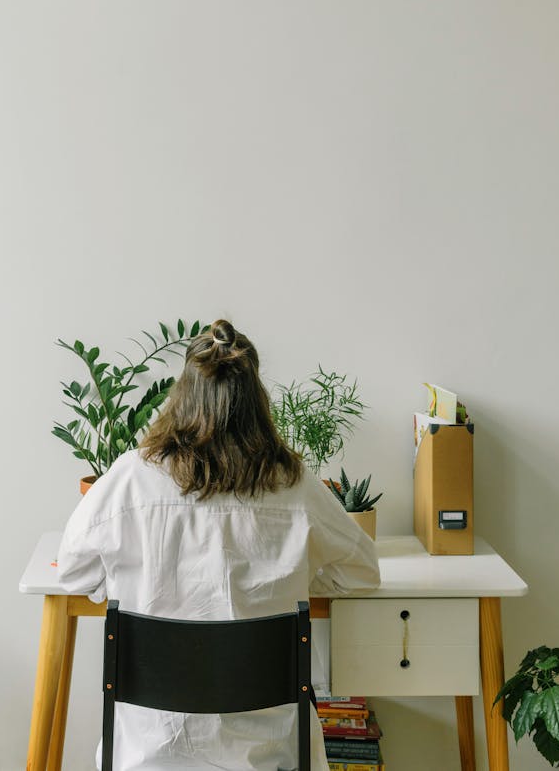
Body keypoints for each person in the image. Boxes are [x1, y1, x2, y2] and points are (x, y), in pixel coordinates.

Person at [57, 318, 380, 771]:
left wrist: (124, 579)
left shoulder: (131, 477)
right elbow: (364, 571)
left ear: (182, 395)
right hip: (269, 757)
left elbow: (72, 573)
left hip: (149, 756)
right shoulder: (295, 484)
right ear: (256, 401)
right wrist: (302, 573)